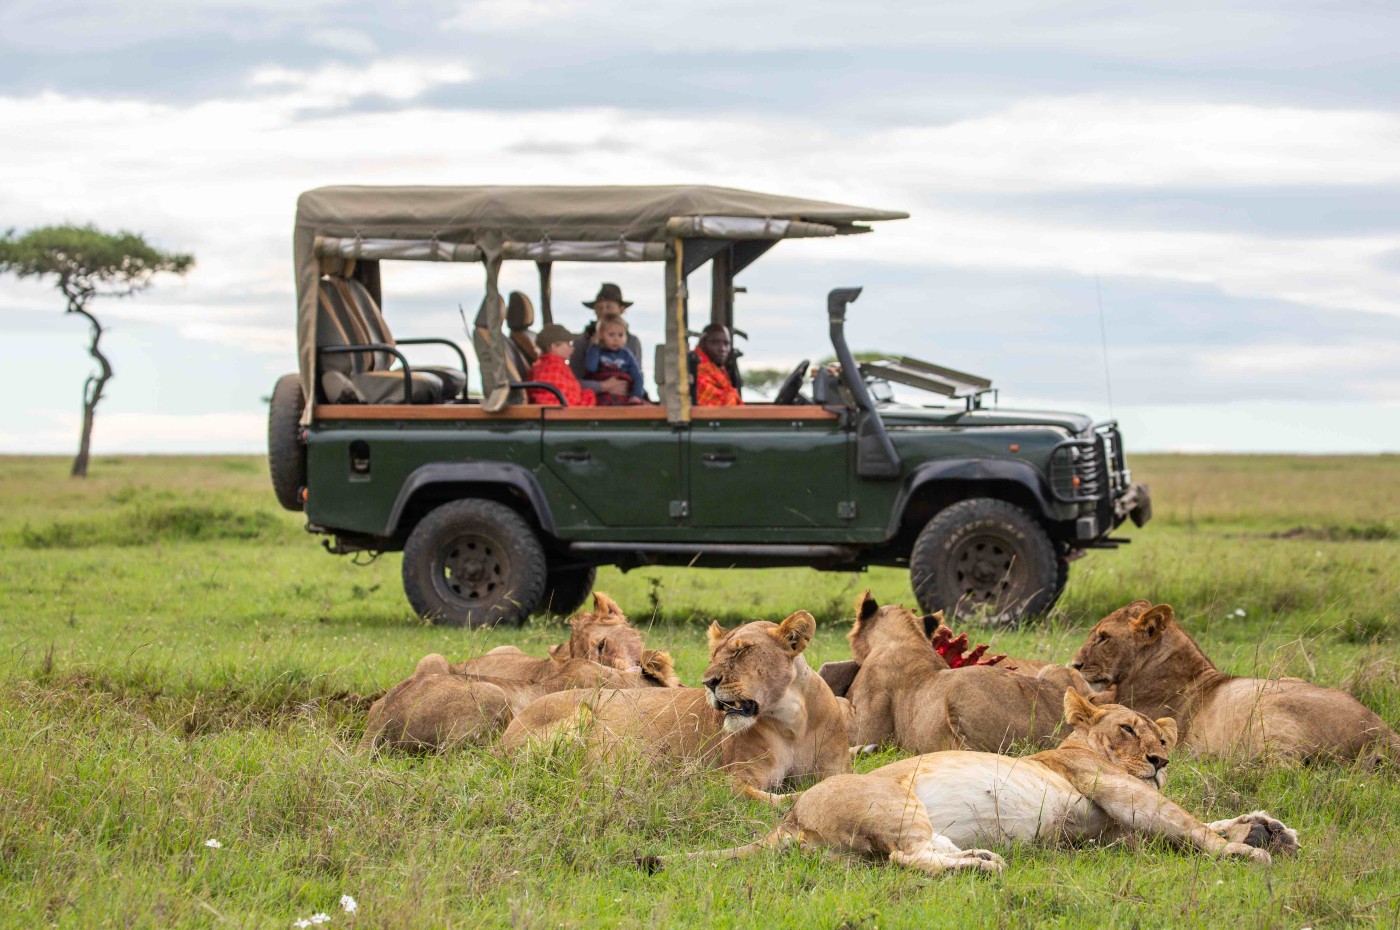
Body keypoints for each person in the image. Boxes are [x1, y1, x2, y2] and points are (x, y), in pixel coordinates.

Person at [571, 283, 645, 399]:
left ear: (621, 310)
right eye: (599, 308)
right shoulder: (582, 343)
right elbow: (573, 380)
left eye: (609, 307)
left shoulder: (632, 342)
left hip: (627, 398)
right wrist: (602, 386)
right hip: (592, 400)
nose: (604, 312)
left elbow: (637, 375)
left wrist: (634, 395)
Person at [583, 315, 647, 405]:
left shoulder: (626, 354)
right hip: (603, 392)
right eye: (611, 335)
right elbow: (590, 368)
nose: (616, 339)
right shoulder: (597, 351)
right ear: (601, 335)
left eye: (620, 335)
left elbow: (637, 376)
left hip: (624, 392)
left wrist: (636, 395)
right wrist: (595, 346)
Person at [527, 324, 596, 406]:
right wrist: (588, 397)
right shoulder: (553, 368)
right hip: (559, 416)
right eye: (568, 344)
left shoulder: (544, 365)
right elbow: (566, 404)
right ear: (554, 346)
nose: (572, 348)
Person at [692, 323, 743, 407]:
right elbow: (725, 405)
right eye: (715, 343)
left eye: (726, 344)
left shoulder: (718, 370)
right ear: (702, 343)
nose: (722, 349)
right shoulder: (696, 368)